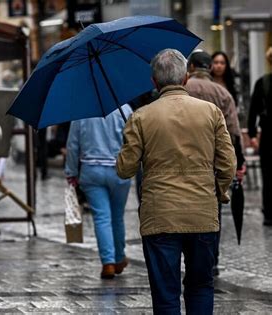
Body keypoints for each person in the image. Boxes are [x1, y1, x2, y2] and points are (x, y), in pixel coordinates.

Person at [117, 49, 236, 314]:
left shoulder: (141, 117)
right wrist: (218, 193)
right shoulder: (211, 113)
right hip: (202, 213)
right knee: (201, 285)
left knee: (166, 292)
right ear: (185, 78)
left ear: (154, 82)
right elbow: (228, 163)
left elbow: (125, 169)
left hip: (160, 216)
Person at [185, 50, 245, 276]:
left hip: (183, 159)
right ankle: (212, 260)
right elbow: (234, 132)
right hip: (211, 163)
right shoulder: (222, 93)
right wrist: (238, 163)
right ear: (209, 68)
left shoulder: (182, 90)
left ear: (191, 67)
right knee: (213, 213)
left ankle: (189, 257)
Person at [65, 105, 133, 279]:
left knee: (102, 217)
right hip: (119, 170)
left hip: (91, 169)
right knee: (117, 216)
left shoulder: (81, 112)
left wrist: (71, 172)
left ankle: (108, 262)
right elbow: (133, 141)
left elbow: (73, 145)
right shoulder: (124, 109)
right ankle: (119, 258)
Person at [248, 46, 272, 226]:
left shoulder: (263, 82)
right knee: (268, 176)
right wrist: (252, 134)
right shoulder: (263, 83)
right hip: (269, 135)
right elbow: (253, 110)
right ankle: (269, 213)